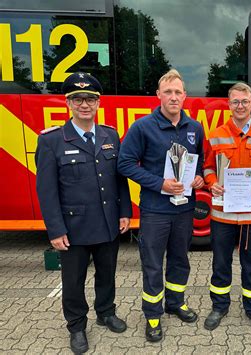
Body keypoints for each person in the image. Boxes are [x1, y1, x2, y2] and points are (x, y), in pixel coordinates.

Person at [35, 72, 132, 354]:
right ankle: (77, 326)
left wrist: (124, 211)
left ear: (99, 103)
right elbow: (47, 191)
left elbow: (119, 179)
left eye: (90, 99)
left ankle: (106, 312)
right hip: (73, 228)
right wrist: (55, 229)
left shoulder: (110, 135)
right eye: (77, 99)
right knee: (73, 281)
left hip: (107, 223)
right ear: (68, 104)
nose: (84, 104)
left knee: (107, 273)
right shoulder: (52, 141)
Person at [117, 69, 204, 342]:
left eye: (178, 92)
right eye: (168, 92)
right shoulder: (142, 127)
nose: (174, 97)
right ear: (158, 95)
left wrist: (199, 177)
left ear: (185, 96)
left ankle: (175, 303)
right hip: (155, 210)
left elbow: (198, 163)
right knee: (153, 264)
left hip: (185, 209)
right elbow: (125, 163)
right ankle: (153, 314)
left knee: (180, 260)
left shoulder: (195, 128)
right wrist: (159, 184)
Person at [203, 82, 251, 333]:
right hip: (222, 216)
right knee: (220, 264)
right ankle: (219, 307)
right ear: (229, 104)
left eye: (244, 101)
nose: (240, 106)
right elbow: (207, 168)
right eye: (235, 101)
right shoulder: (215, 134)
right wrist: (212, 183)